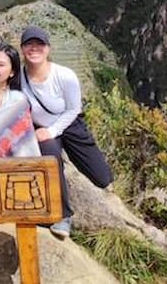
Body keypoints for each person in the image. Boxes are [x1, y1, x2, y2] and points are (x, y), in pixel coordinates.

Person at [20, 25, 113, 238]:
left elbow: (73, 109)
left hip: (69, 123)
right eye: (29, 44)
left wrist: (53, 130)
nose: (34, 49)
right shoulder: (19, 78)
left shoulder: (64, 75)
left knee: (102, 178)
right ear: (23, 49)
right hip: (40, 128)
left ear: (48, 49)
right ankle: (62, 215)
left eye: (39, 44)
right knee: (50, 159)